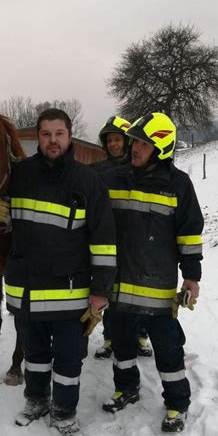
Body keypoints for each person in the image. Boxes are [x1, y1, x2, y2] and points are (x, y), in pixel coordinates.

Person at [3, 108, 117, 436]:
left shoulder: (87, 182)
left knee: (68, 359)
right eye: (45, 134)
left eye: (59, 134)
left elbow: (104, 241)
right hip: (27, 289)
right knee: (34, 353)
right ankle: (37, 399)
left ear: (69, 136)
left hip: (70, 294)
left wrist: (100, 292)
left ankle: (65, 414)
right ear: (38, 138)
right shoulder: (19, 175)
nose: (52, 140)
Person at [101, 112, 203, 433]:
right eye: (135, 141)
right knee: (121, 340)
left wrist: (191, 276)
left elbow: (189, 234)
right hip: (119, 284)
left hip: (157, 289)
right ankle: (127, 388)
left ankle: (177, 403)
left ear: (160, 148)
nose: (135, 148)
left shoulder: (179, 186)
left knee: (168, 346)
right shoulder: (114, 179)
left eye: (144, 143)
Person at [91, 116, 153, 360]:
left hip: (137, 241)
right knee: (110, 291)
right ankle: (110, 338)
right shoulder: (98, 171)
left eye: (118, 139)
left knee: (139, 292)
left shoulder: (140, 168)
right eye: (110, 140)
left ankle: (141, 336)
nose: (114, 144)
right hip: (110, 241)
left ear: (127, 142)